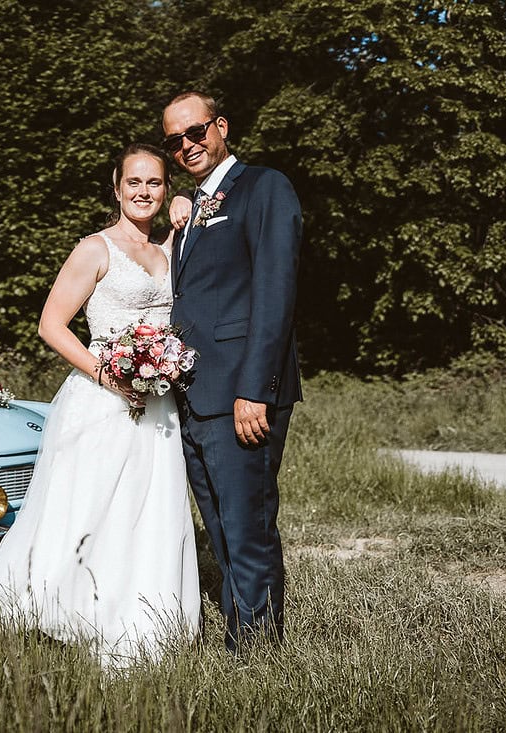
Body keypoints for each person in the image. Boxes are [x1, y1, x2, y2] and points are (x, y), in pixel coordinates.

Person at [0, 143, 200, 669]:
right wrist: (109, 376)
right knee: (88, 505)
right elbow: (51, 325)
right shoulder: (95, 249)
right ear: (116, 189)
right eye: (133, 182)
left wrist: (185, 207)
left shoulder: (170, 248)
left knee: (147, 508)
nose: (143, 192)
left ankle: (143, 610)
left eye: (155, 183)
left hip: (157, 406)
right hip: (101, 400)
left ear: (165, 190)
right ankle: (69, 606)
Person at [161, 91, 302, 652]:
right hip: (195, 395)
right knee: (219, 528)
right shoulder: (192, 206)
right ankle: (240, 630)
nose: (187, 146)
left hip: (242, 393)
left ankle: (259, 653)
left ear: (220, 126)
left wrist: (255, 389)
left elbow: (275, 292)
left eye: (196, 133)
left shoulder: (264, 187)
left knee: (247, 527)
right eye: (175, 141)